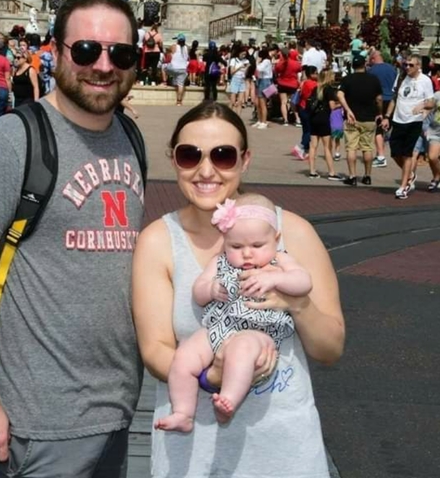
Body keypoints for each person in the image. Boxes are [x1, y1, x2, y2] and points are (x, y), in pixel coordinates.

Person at [0, 0, 146, 477]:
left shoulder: (130, 137)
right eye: (86, 50)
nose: (103, 66)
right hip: (39, 422)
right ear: (55, 50)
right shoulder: (14, 140)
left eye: (120, 53)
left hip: (117, 409)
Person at [133, 101, 344, 477]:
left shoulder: (291, 232)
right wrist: (210, 375)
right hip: (192, 458)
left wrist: (296, 303)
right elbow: (155, 349)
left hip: (285, 454)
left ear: (245, 160)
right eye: (189, 155)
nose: (206, 170)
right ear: (173, 160)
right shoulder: (159, 240)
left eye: (223, 155)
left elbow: (329, 348)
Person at [155, 193, 312, 432]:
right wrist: (211, 289)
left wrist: (276, 279)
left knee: (241, 350)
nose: (247, 253)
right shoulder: (219, 262)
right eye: (236, 246)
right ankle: (183, 412)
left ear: (276, 239)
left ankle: (228, 400)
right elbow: (198, 292)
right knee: (184, 356)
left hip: (258, 331)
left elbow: (303, 282)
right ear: (225, 240)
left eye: (257, 245)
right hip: (220, 326)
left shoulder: (280, 261)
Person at [381, 54, 435, 199]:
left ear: (418, 66)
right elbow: (394, 99)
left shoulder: (425, 80)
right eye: (406, 64)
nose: (407, 67)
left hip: (414, 121)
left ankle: (404, 186)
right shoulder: (401, 77)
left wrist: (422, 105)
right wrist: (387, 117)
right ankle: (410, 174)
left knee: (407, 154)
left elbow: (431, 102)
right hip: (399, 119)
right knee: (395, 153)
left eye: (411, 65)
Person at [337, 55, 383, 186]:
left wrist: (347, 109)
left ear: (353, 66)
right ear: (365, 65)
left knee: (351, 148)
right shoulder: (373, 79)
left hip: (352, 118)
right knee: (367, 148)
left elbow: (339, 94)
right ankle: (367, 176)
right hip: (369, 117)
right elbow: (379, 99)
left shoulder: (347, 79)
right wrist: (379, 112)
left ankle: (352, 176)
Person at [308, 69, 342, 180]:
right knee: (327, 147)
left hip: (314, 118)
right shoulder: (329, 89)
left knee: (313, 146)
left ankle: (312, 171)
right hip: (324, 119)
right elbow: (332, 106)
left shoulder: (316, 89)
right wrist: (341, 104)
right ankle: (331, 173)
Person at [170, 33, 189, 106]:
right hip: (183, 69)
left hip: (173, 68)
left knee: (164, 67)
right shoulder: (187, 48)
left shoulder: (173, 46)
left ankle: (164, 81)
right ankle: (179, 101)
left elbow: (170, 52)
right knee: (181, 85)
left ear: (177, 40)